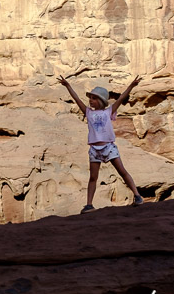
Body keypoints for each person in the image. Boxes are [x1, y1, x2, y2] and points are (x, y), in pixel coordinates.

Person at [57, 73, 145, 212]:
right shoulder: (88, 112)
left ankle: (137, 195)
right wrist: (68, 85)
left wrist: (132, 86)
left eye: (94, 98)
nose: (90, 101)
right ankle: (89, 204)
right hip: (95, 149)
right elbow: (76, 99)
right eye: (90, 98)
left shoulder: (109, 111)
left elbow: (121, 98)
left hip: (109, 147)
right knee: (93, 177)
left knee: (122, 171)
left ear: (101, 100)